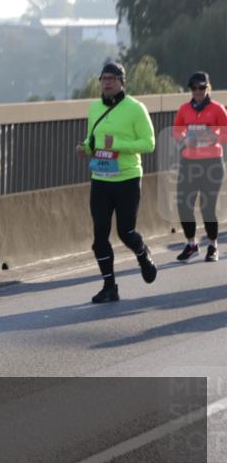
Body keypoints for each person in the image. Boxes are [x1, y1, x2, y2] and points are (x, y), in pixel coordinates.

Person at [76, 62, 157, 303]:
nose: (107, 82)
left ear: (122, 81)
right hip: (100, 178)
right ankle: (109, 287)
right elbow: (92, 139)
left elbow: (149, 143)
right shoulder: (94, 108)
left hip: (127, 178)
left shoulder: (135, 108)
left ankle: (142, 254)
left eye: (112, 78)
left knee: (126, 231)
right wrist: (86, 147)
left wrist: (118, 146)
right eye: (104, 78)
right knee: (99, 236)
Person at [173, 71, 227, 263]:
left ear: (208, 88)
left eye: (201, 87)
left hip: (211, 163)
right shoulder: (184, 109)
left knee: (207, 207)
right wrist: (184, 140)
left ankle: (212, 246)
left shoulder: (218, 109)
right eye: (194, 88)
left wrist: (216, 138)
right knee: (183, 205)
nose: (198, 91)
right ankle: (191, 244)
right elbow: (177, 130)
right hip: (189, 163)